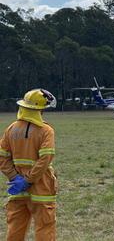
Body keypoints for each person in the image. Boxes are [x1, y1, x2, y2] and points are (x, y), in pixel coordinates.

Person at [0, 89, 58, 240]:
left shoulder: (11, 129)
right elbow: (45, 159)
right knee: (45, 228)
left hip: (17, 189)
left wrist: (15, 178)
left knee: (15, 231)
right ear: (40, 109)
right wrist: (29, 180)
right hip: (41, 188)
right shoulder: (46, 130)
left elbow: (2, 157)